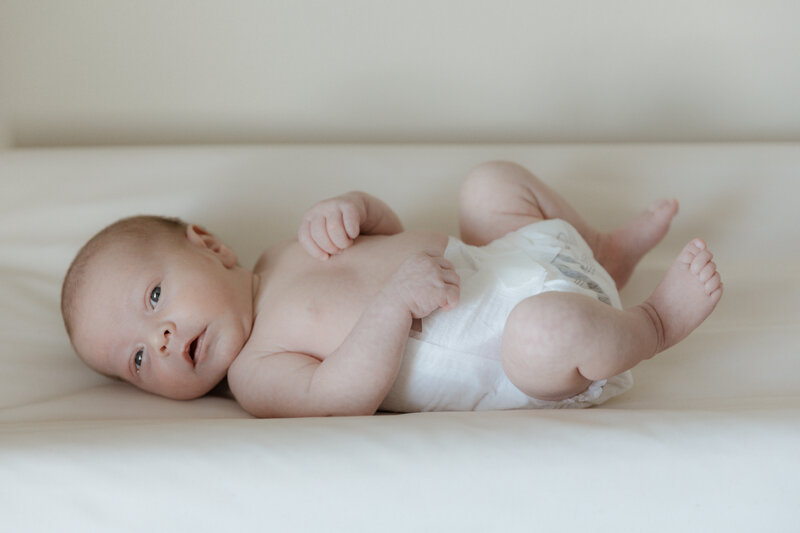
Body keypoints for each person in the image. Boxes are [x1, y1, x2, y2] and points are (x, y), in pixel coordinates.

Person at [60, 161, 722, 417]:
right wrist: (393, 305)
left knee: (487, 185)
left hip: (505, 260)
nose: (163, 338)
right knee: (545, 330)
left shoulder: (285, 249)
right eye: (139, 359)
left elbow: (398, 236)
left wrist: (359, 208)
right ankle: (655, 324)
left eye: (153, 300)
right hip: (511, 353)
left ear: (208, 245)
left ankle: (599, 249)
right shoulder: (259, 373)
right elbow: (339, 395)